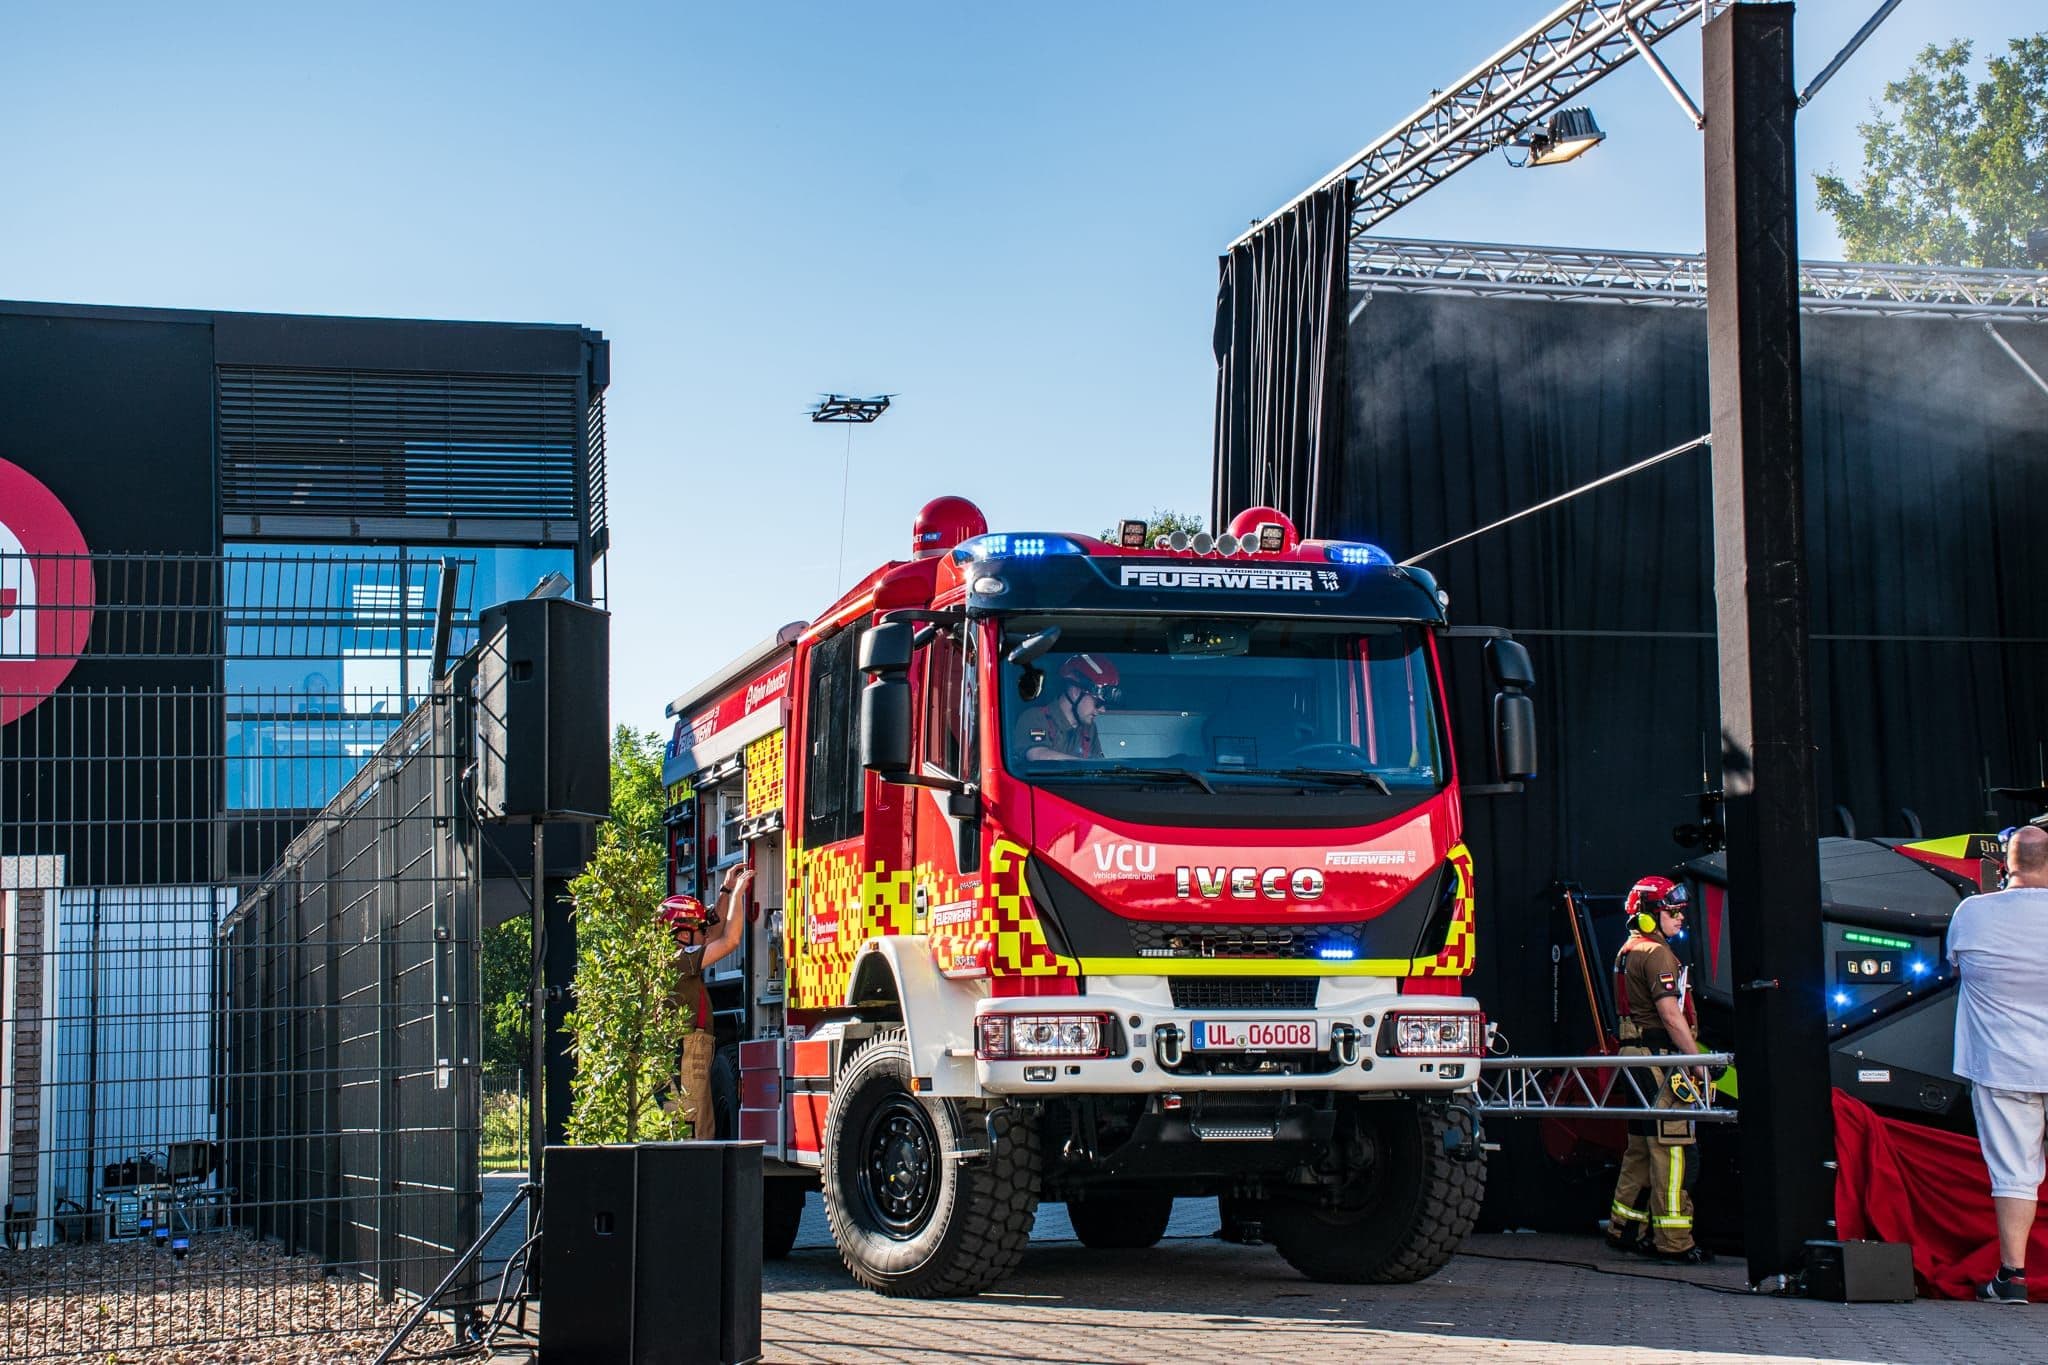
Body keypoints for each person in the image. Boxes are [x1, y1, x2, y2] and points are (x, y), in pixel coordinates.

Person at [1948, 823, 2048, 1304]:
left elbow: (1954, 966)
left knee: (2013, 1173)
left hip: (2002, 1063)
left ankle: (2012, 1277)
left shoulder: (1972, 913)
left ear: (2005, 864)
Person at [1605, 874, 1713, 1264]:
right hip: (1656, 1059)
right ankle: (1674, 1241)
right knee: (1673, 1148)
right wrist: (1697, 1063)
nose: (1680, 918)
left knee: (1640, 1147)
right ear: (1648, 915)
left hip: (1633, 1057)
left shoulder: (1627, 950)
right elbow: (1670, 1015)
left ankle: (1624, 1229)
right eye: (1672, 911)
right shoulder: (1657, 954)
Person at [661, 862, 753, 1138]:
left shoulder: (677, 957)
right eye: (700, 929)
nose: (706, 934)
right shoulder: (678, 960)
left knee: (700, 1128)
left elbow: (716, 929)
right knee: (693, 1132)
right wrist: (738, 895)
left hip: (688, 1054)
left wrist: (726, 890)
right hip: (686, 1057)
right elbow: (728, 940)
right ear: (683, 934)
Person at [1015, 654, 1120, 761]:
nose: (1102, 710)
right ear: (1075, 691)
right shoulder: (1036, 717)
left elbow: (1098, 764)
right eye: (1098, 703)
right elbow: (1038, 755)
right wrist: (1086, 766)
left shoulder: (1090, 729)